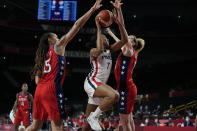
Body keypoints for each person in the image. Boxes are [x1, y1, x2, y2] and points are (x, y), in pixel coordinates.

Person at [25, 1, 102, 130]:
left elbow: (37, 81)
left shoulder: (41, 57)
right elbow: (77, 25)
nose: (58, 37)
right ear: (50, 40)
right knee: (57, 124)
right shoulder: (58, 46)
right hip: (51, 89)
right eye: (55, 36)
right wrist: (92, 9)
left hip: (39, 91)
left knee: (35, 125)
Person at [82, 7, 128, 131]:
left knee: (86, 128)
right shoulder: (93, 51)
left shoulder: (110, 50)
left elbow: (125, 40)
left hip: (99, 87)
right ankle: (94, 117)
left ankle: (92, 118)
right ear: (98, 40)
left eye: (106, 37)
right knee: (114, 95)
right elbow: (99, 49)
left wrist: (118, 23)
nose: (106, 38)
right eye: (103, 38)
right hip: (92, 82)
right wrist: (98, 28)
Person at [106, 0, 145, 130]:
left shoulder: (129, 50)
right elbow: (120, 40)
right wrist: (111, 33)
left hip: (126, 89)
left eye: (130, 39)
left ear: (133, 43)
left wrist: (119, 10)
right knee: (128, 118)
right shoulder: (127, 49)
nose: (127, 39)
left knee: (124, 121)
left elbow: (122, 27)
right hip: (126, 87)